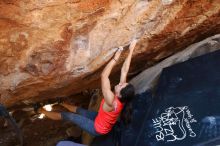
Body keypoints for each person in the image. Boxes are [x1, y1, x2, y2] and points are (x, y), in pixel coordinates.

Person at [38, 39, 137, 136]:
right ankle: (61, 103)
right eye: (122, 84)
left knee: (68, 116)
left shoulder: (111, 100)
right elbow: (124, 70)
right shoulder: (123, 96)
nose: (120, 84)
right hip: (101, 119)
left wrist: (115, 58)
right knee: (80, 111)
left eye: (120, 86)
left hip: (97, 128)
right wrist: (131, 49)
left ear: (119, 94)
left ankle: (39, 110)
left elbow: (104, 76)